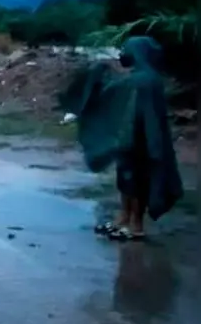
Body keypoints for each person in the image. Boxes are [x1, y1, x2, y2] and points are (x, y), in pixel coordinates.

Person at [59, 36, 183, 241]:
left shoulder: (145, 80)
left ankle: (136, 225)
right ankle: (123, 217)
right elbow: (115, 92)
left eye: (128, 51)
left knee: (136, 182)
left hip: (139, 140)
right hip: (129, 139)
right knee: (125, 180)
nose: (124, 55)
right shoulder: (141, 78)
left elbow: (121, 98)